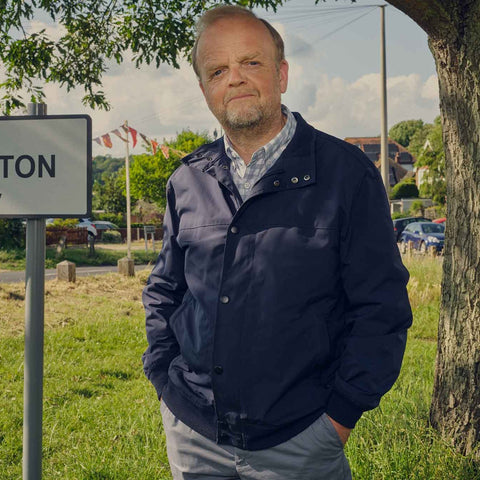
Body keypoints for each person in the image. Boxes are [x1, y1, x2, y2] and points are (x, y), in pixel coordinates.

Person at [142, 5, 412, 479]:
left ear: (282, 74)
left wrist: (340, 417)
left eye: (251, 62)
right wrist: (165, 381)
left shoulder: (347, 174)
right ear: (205, 89)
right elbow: (165, 291)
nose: (236, 79)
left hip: (302, 440)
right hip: (194, 435)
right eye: (218, 70)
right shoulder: (186, 180)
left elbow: (381, 309)